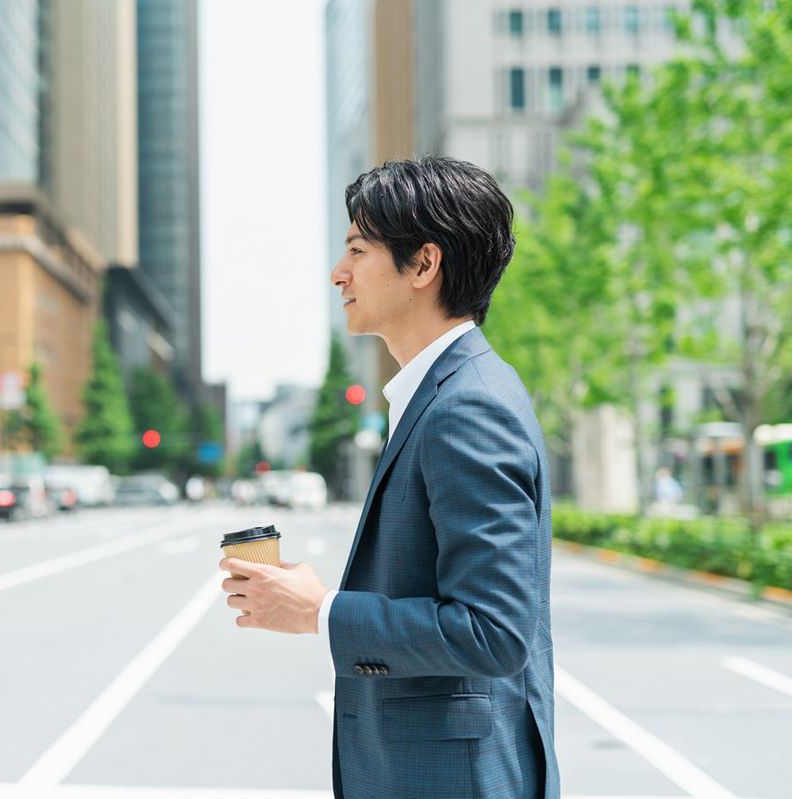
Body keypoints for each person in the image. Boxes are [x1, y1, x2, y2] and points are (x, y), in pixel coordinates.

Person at [220, 158, 558, 799]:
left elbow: (495, 631)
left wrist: (321, 612)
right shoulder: (446, 393)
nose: (337, 272)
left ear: (424, 266)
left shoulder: (468, 406)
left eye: (357, 249)